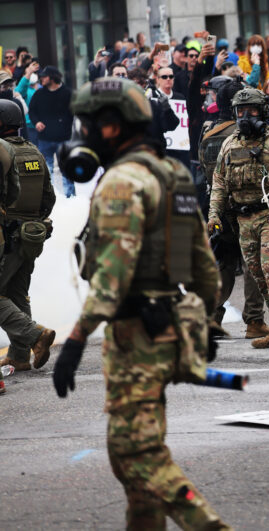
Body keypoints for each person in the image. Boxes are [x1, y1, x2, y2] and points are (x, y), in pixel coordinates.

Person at [51, 77, 227, 528]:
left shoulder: (121, 182)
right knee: (140, 464)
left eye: (88, 124)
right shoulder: (174, 174)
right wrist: (207, 321)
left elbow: (112, 276)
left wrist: (74, 341)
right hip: (171, 325)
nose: (82, 134)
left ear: (111, 127)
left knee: (137, 455)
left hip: (136, 336)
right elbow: (204, 263)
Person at [208, 87, 269, 350]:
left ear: (263, 112)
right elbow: (219, 183)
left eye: (251, 111)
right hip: (243, 220)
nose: (246, 116)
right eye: (241, 111)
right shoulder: (230, 144)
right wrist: (214, 214)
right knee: (259, 276)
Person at [198, 77, 269, 339]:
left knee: (224, 262)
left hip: (218, 207)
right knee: (253, 265)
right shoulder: (242, 136)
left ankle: (209, 317)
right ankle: (254, 320)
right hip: (246, 206)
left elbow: (206, 171)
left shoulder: (207, 133)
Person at [0, 99, 56, 372]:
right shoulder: (34, 152)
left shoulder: (3, 151)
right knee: (18, 293)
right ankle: (20, 355)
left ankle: (36, 335)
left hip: (7, 234)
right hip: (31, 235)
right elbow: (49, 198)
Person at [27, 66, 74, 198]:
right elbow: (32, 111)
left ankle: (70, 197)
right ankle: (49, 197)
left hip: (63, 138)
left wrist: (65, 126)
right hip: (44, 138)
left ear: (53, 77)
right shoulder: (39, 94)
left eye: (44, 76)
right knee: (46, 170)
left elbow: (74, 113)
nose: (41, 78)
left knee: (66, 169)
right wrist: (36, 122)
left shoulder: (67, 93)